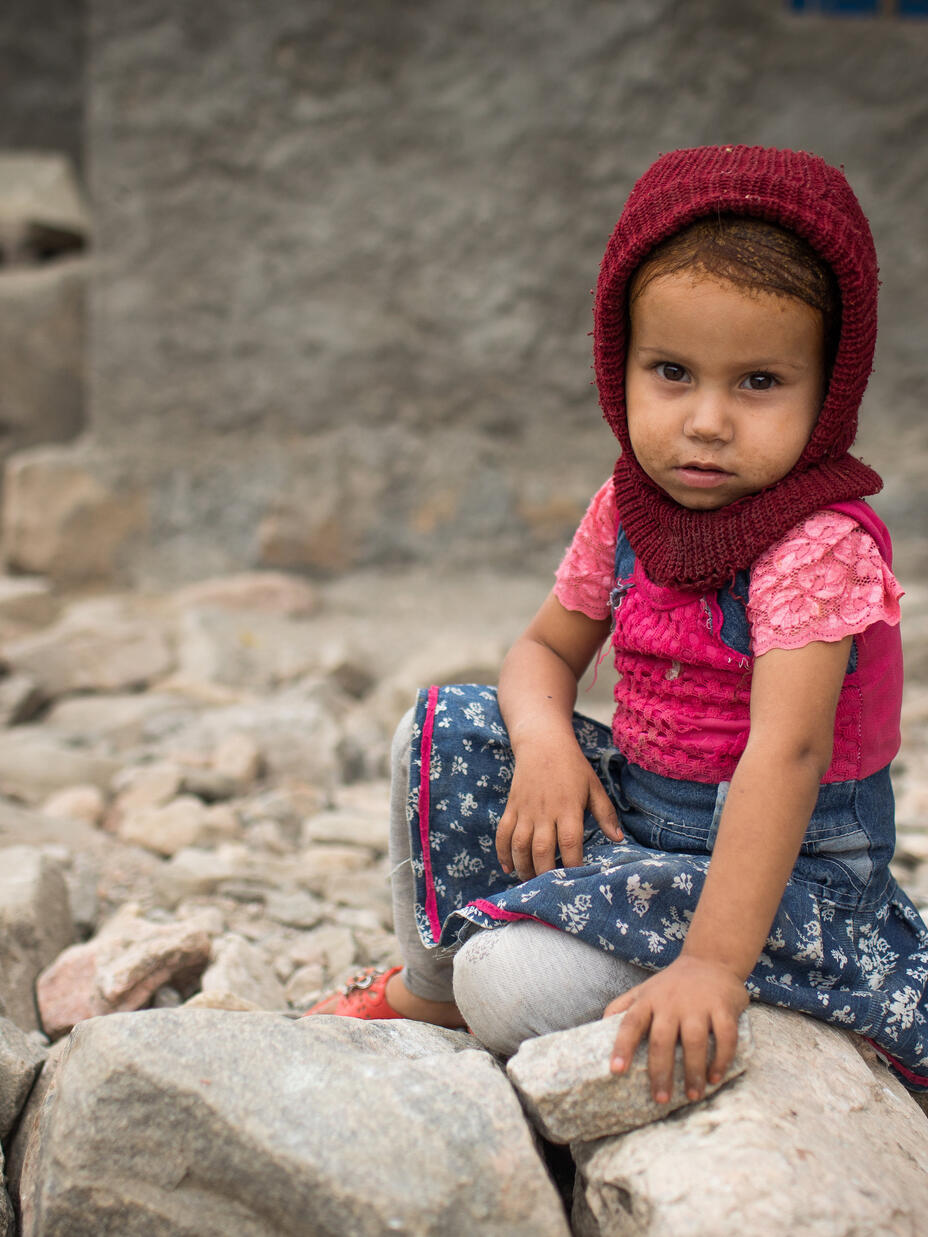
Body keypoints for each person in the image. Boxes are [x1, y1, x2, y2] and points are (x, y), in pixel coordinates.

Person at [306, 144, 928, 1105]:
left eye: (759, 382)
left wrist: (714, 967)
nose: (707, 420)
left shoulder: (816, 546)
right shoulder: (630, 506)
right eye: (672, 371)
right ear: (619, 362)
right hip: (638, 824)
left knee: (507, 984)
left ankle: (559, 975)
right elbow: (545, 650)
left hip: (777, 883)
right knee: (443, 728)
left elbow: (787, 756)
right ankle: (431, 991)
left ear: (831, 388)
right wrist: (547, 739)